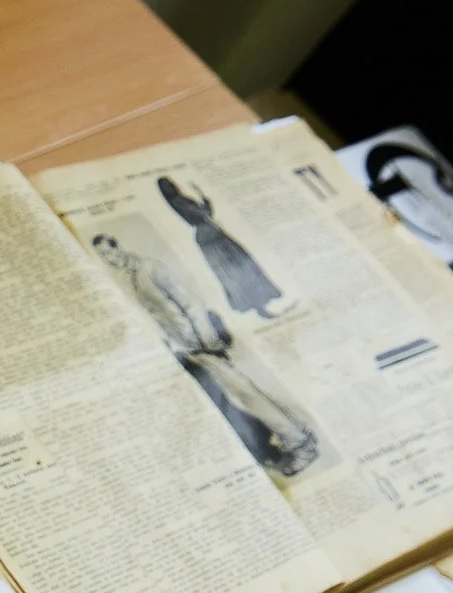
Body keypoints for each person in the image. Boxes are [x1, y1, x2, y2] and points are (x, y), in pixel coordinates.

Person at [90, 234, 318, 477]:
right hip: (186, 349)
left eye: (109, 252)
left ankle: (300, 445)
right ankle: (300, 437)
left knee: (246, 394)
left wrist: (208, 342)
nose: (109, 259)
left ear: (118, 247)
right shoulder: (129, 277)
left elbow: (192, 304)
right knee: (239, 396)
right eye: (103, 256)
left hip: (200, 343)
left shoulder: (151, 267)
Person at [157, 176, 285, 317]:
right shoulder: (179, 200)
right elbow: (206, 213)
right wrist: (202, 197)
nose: (174, 184)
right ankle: (259, 306)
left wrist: (203, 201)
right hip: (209, 234)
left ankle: (259, 306)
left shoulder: (178, 200)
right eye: (169, 183)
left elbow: (206, 213)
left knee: (236, 269)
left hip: (207, 234)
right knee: (237, 269)